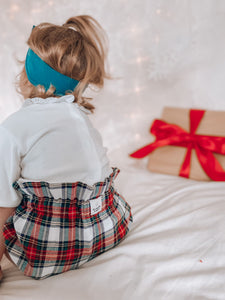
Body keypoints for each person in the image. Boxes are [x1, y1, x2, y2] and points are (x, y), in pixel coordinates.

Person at [0, 15, 133, 281]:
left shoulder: (14, 127)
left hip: (51, 247)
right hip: (109, 228)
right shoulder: (80, 117)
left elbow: (4, 204)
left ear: (27, 75)